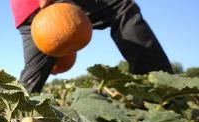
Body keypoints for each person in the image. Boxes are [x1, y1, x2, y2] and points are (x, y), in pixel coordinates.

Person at [10, 0, 174, 93]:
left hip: (24, 12)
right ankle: (158, 89)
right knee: (121, 7)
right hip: (46, 4)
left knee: (32, 76)